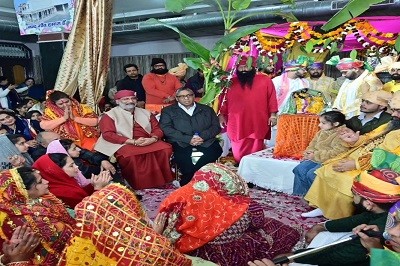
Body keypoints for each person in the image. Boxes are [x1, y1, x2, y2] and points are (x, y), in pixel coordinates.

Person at [159, 163, 301, 265]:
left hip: (193, 249)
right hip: (234, 250)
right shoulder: (243, 205)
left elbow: (166, 224)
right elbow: (258, 222)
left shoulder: (179, 196)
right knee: (272, 227)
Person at [303, 90, 400, 219]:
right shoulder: (392, 124)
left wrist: (356, 164)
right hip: (367, 156)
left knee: (346, 179)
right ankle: (324, 207)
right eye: (393, 110)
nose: (393, 114)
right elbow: (370, 137)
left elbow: (393, 159)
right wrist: (355, 140)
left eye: (398, 111)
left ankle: (339, 217)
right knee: (329, 169)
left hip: (385, 169)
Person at [95, 90, 174, 189]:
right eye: (126, 99)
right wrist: (132, 141)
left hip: (147, 140)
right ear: (117, 101)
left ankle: (164, 180)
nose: (130, 101)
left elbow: (157, 129)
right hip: (123, 142)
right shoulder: (109, 115)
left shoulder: (145, 112)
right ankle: (139, 184)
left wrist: (153, 139)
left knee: (165, 149)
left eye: (133, 98)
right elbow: (108, 135)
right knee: (130, 156)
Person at [0, 167, 75, 265]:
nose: (46, 182)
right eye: (39, 182)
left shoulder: (41, 200)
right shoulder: (29, 220)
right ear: (22, 191)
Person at [219, 55, 278, 162]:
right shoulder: (230, 82)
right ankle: (241, 172)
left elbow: (272, 98)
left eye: (246, 67)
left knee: (256, 154)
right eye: (240, 67)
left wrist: (273, 115)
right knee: (237, 153)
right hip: (237, 123)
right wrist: (221, 115)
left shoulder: (265, 80)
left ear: (253, 67)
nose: (243, 70)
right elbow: (223, 100)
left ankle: (253, 175)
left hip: (257, 120)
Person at [160, 87, 222, 186]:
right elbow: (166, 128)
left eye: (189, 95)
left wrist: (202, 137)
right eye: (182, 96)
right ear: (177, 98)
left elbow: (216, 127)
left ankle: (187, 181)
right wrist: (188, 139)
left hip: (206, 141)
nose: (186, 98)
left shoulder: (206, 109)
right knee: (185, 159)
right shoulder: (168, 111)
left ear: (194, 97)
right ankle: (198, 181)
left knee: (212, 153)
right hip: (181, 142)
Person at [292, 111, 350, 197]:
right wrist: (308, 153)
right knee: (299, 169)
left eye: (323, 123)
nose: (319, 125)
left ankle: (314, 198)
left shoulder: (342, 134)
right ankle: (300, 194)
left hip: (330, 160)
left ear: (336, 124)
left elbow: (338, 153)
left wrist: (315, 155)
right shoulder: (322, 132)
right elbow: (312, 144)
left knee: (312, 174)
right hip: (316, 157)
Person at [32, 153, 111, 208]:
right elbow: (88, 210)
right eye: (71, 166)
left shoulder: (64, 182)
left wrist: (93, 185)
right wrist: (98, 188)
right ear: (57, 171)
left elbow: (81, 193)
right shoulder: (62, 193)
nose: (76, 167)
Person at [47, 139, 121, 181]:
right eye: (74, 149)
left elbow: (90, 155)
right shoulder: (70, 166)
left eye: (76, 147)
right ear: (64, 152)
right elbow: (87, 171)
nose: (78, 150)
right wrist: (103, 169)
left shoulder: (76, 151)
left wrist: (103, 161)